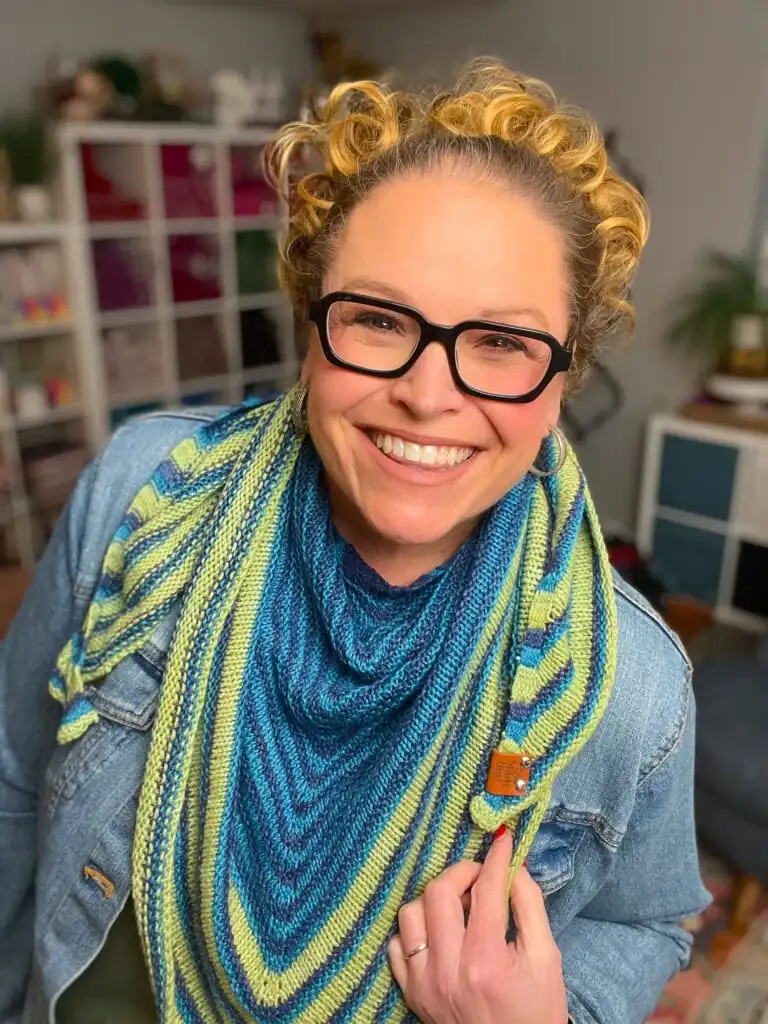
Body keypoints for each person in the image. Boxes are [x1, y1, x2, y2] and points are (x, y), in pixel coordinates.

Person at [0, 61, 709, 1024]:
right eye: (378, 319)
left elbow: (646, 922)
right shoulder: (138, 495)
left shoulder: (632, 686)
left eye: (502, 342)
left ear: (564, 375)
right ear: (311, 321)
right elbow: (12, 771)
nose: (429, 393)